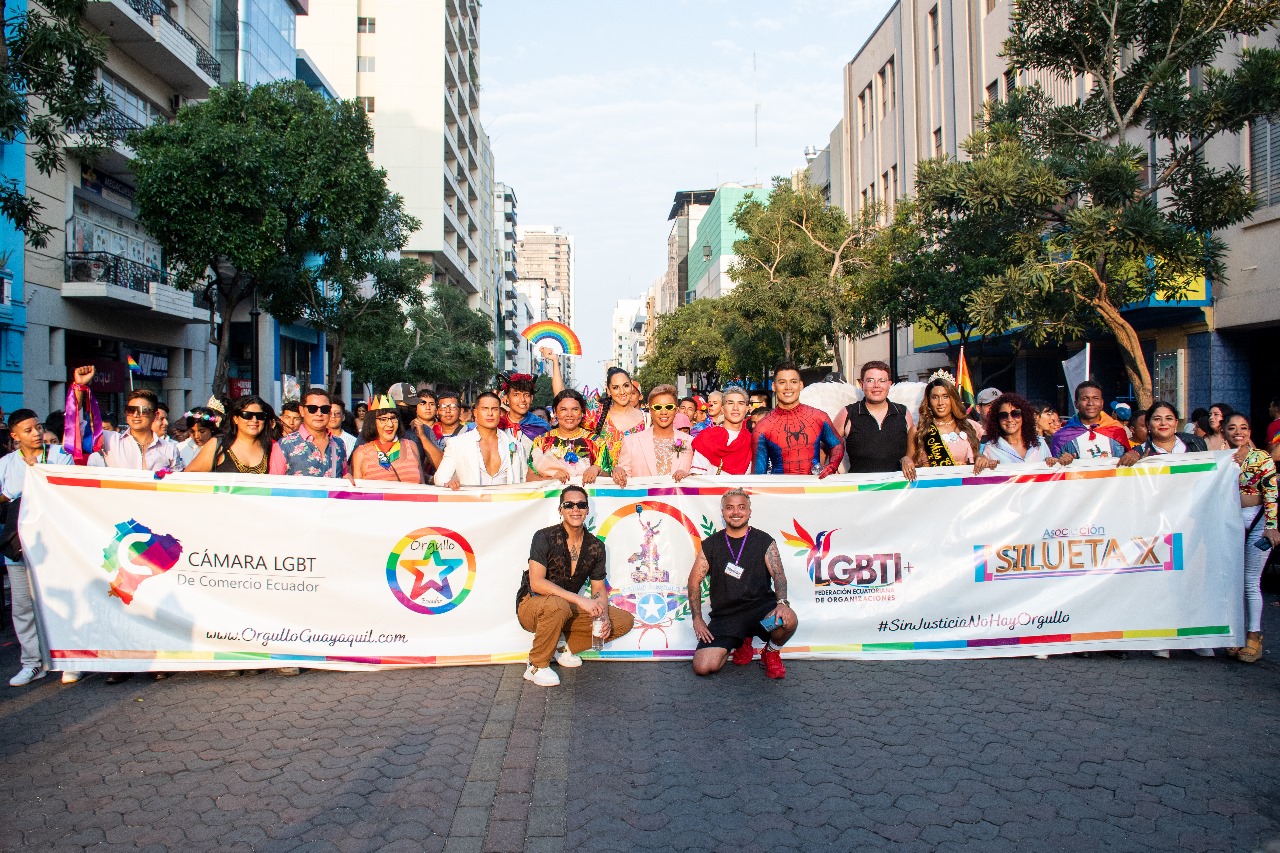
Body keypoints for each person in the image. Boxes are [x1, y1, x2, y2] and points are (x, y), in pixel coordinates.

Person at [516, 485, 635, 686]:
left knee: (623, 621)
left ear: (587, 510)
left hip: (564, 608)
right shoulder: (544, 537)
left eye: (581, 505)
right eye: (569, 505)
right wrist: (580, 600)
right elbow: (536, 583)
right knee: (558, 605)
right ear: (560, 510)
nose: (575, 509)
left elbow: (598, 588)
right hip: (532, 606)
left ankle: (560, 646)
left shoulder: (596, 546)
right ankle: (536, 665)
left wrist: (603, 616)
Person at [688, 488, 796, 679]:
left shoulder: (764, 541)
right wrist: (697, 618)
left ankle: (771, 652)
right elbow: (694, 581)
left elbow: (779, 575)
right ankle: (739, 640)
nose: (736, 512)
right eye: (729, 507)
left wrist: (782, 603)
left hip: (761, 615)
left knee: (788, 620)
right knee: (703, 667)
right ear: (723, 512)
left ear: (749, 511)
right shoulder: (711, 544)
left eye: (741, 507)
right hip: (726, 618)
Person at [2, 409, 75, 687]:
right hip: (19, 545)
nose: (36, 434)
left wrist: (40, 472)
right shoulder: (7, 463)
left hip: (55, 543)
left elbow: (68, 489)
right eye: (28, 430)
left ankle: (70, 661)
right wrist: (11, 495)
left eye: (38, 428)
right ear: (15, 435)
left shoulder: (59, 456)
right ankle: (32, 663)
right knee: (23, 606)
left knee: (63, 602)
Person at [1224, 413, 1279, 663]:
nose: (1238, 432)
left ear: (1250, 431)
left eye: (1243, 427)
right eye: (1232, 428)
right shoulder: (1218, 459)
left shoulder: (1262, 458)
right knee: (1231, 581)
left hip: (1258, 524)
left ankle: (1254, 636)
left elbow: (1271, 494)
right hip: (1228, 524)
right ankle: (1234, 634)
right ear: (1224, 432)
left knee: (1250, 581)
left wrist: (1272, 527)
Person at [65, 367, 184, 472]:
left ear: (155, 415)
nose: (136, 415)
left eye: (143, 410)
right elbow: (77, 431)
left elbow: (178, 485)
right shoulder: (110, 440)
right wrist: (78, 387)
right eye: (131, 410)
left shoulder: (170, 449)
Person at [546, 352, 644, 474]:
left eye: (626, 386)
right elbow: (562, 397)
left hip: (638, 481)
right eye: (615, 387)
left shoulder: (647, 419)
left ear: (632, 387)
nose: (622, 391)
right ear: (608, 391)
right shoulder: (597, 413)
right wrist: (555, 361)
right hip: (602, 481)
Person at [752, 362, 843, 477]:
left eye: (793, 382)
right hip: (780, 487)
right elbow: (758, 475)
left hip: (813, 486)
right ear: (774, 386)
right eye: (782, 382)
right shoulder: (762, 427)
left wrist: (832, 466)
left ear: (801, 385)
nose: (788, 387)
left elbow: (837, 444)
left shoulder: (818, 417)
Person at [434, 392, 532, 489]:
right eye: (485, 409)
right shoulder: (457, 443)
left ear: (500, 413)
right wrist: (450, 484)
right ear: (475, 413)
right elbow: (440, 478)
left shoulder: (514, 444)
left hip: (507, 498)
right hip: (471, 498)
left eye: (494, 409)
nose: (490, 413)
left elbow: (524, 479)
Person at [834, 360, 912, 476]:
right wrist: (831, 468)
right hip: (860, 485)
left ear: (889, 384)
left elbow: (915, 447)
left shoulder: (903, 413)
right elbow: (825, 444)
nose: (876, 386)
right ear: (861, 384)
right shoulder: (848, 413)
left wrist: (908, 457)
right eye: (870, 380)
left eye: (882, 381)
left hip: (898, 486)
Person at [611, 385, 694, 487]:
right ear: (650, 410)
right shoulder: (631, 442)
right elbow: (623, 481)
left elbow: (702, 478)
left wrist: (690, 478)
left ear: (676, 410)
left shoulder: (691, 442)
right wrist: (618, 472)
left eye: (669, 407)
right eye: (658, 407)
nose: (664, 412)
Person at [909, 376, 992, 475]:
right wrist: (905, 460)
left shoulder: (970, 426)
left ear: (953, 399)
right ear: (928, 401)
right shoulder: (918, 430)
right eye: (935, 397)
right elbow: (910, 462)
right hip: (933, 483)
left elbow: (980, 454)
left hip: (965, 483)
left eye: (945, 396)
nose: (940, 403)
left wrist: (981, 457)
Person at [187, 396, 286, 475]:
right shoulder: (218, 445)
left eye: (260, 416)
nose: (254, 420)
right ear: (235, 419)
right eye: (247, 415)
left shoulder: (272, 448)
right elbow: (189, 475)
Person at [1050, 381, 1136, 464]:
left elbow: (1127, 464)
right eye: (1084, 399)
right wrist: (1059, 461)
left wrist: (1135, 454)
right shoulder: (1062, 437)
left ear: (1102, 403)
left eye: (1095, 398)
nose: (1090, 403)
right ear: (1076, 404)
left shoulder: (1117, 431)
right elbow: (1054, 469)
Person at [529, 389, 603, 484]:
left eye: (575, 409)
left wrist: (597, 469)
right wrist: (552, 480)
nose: (569, 415)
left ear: (582, 412)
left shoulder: (597, 443)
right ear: (555, 412)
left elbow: (609, 478)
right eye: (563, 409)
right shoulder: (541, 442)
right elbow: (530, 477)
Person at [348, 395, 424, 483]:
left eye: (393, 418)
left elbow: (422, 484)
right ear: (372, 422)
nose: (390, 424)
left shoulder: (411, 446)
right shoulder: (360, 453)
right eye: (383, 419)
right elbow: (357, 490)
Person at [279, 387, 348, 478]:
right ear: (302, 411)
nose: (319, 413)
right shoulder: (284, 445)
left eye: (325, 409)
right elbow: (272, 483)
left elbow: (344, 476)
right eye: (312, 408)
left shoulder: (339, 444)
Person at [980, 393, 1058, 467]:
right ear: (997, 419)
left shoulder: (1040, 443)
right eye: (1003, 415)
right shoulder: (990, 449)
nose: (1010, 419)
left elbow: (1051, 473)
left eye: (1015, 414)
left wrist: (1055, 462)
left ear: (1024, 415)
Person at [690, 387, 753, 475]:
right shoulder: (707, 437)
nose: (735, 408)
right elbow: (697, 475)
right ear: (722, 409)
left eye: (740, 403)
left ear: (747, 409)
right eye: (730, 403)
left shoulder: (752, 441)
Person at [500, 374, 551, 442]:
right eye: (516, 395)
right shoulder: (497, 425)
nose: (522, 400)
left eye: (526, 395)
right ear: (507, 398)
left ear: (531, 398)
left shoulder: (542, 427)